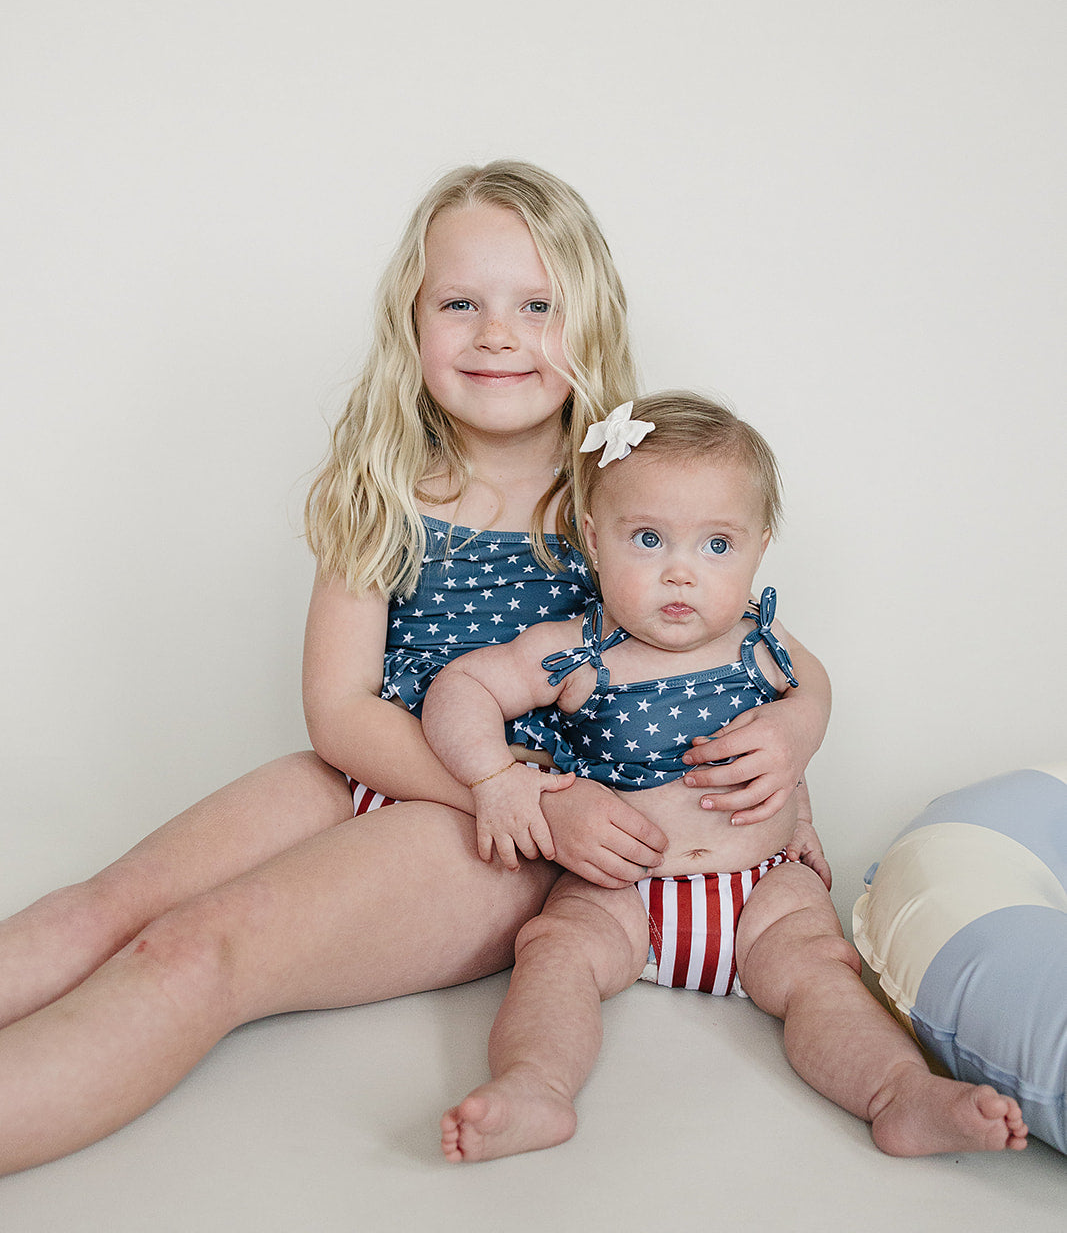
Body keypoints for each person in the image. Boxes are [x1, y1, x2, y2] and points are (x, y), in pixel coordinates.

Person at [0, 163, 830, 1175]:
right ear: (413, 318)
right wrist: (489, 776)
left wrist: (788, 745)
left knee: (195, 950)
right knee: (106, 905)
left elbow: (746, 653)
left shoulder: (631, 499)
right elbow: (339, 707)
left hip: (509, 835)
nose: (495, 332)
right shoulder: (382, 482)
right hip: (399, 763)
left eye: (535, 305)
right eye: (460, 303)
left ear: (591, 324)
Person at [425, 394, 1029, 1162]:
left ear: (758, 548)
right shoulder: (575, 651)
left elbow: (812, 700)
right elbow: (461, 689)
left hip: (762, 886)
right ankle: (533, 1086)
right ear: (593, 538)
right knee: (555, 955)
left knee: (819, 975)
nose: (681, 572)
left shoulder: (761, 641)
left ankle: (897, 1096)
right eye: (647, 538)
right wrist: (494, 778)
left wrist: (795, 752)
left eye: (716, 545)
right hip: (622, 888)